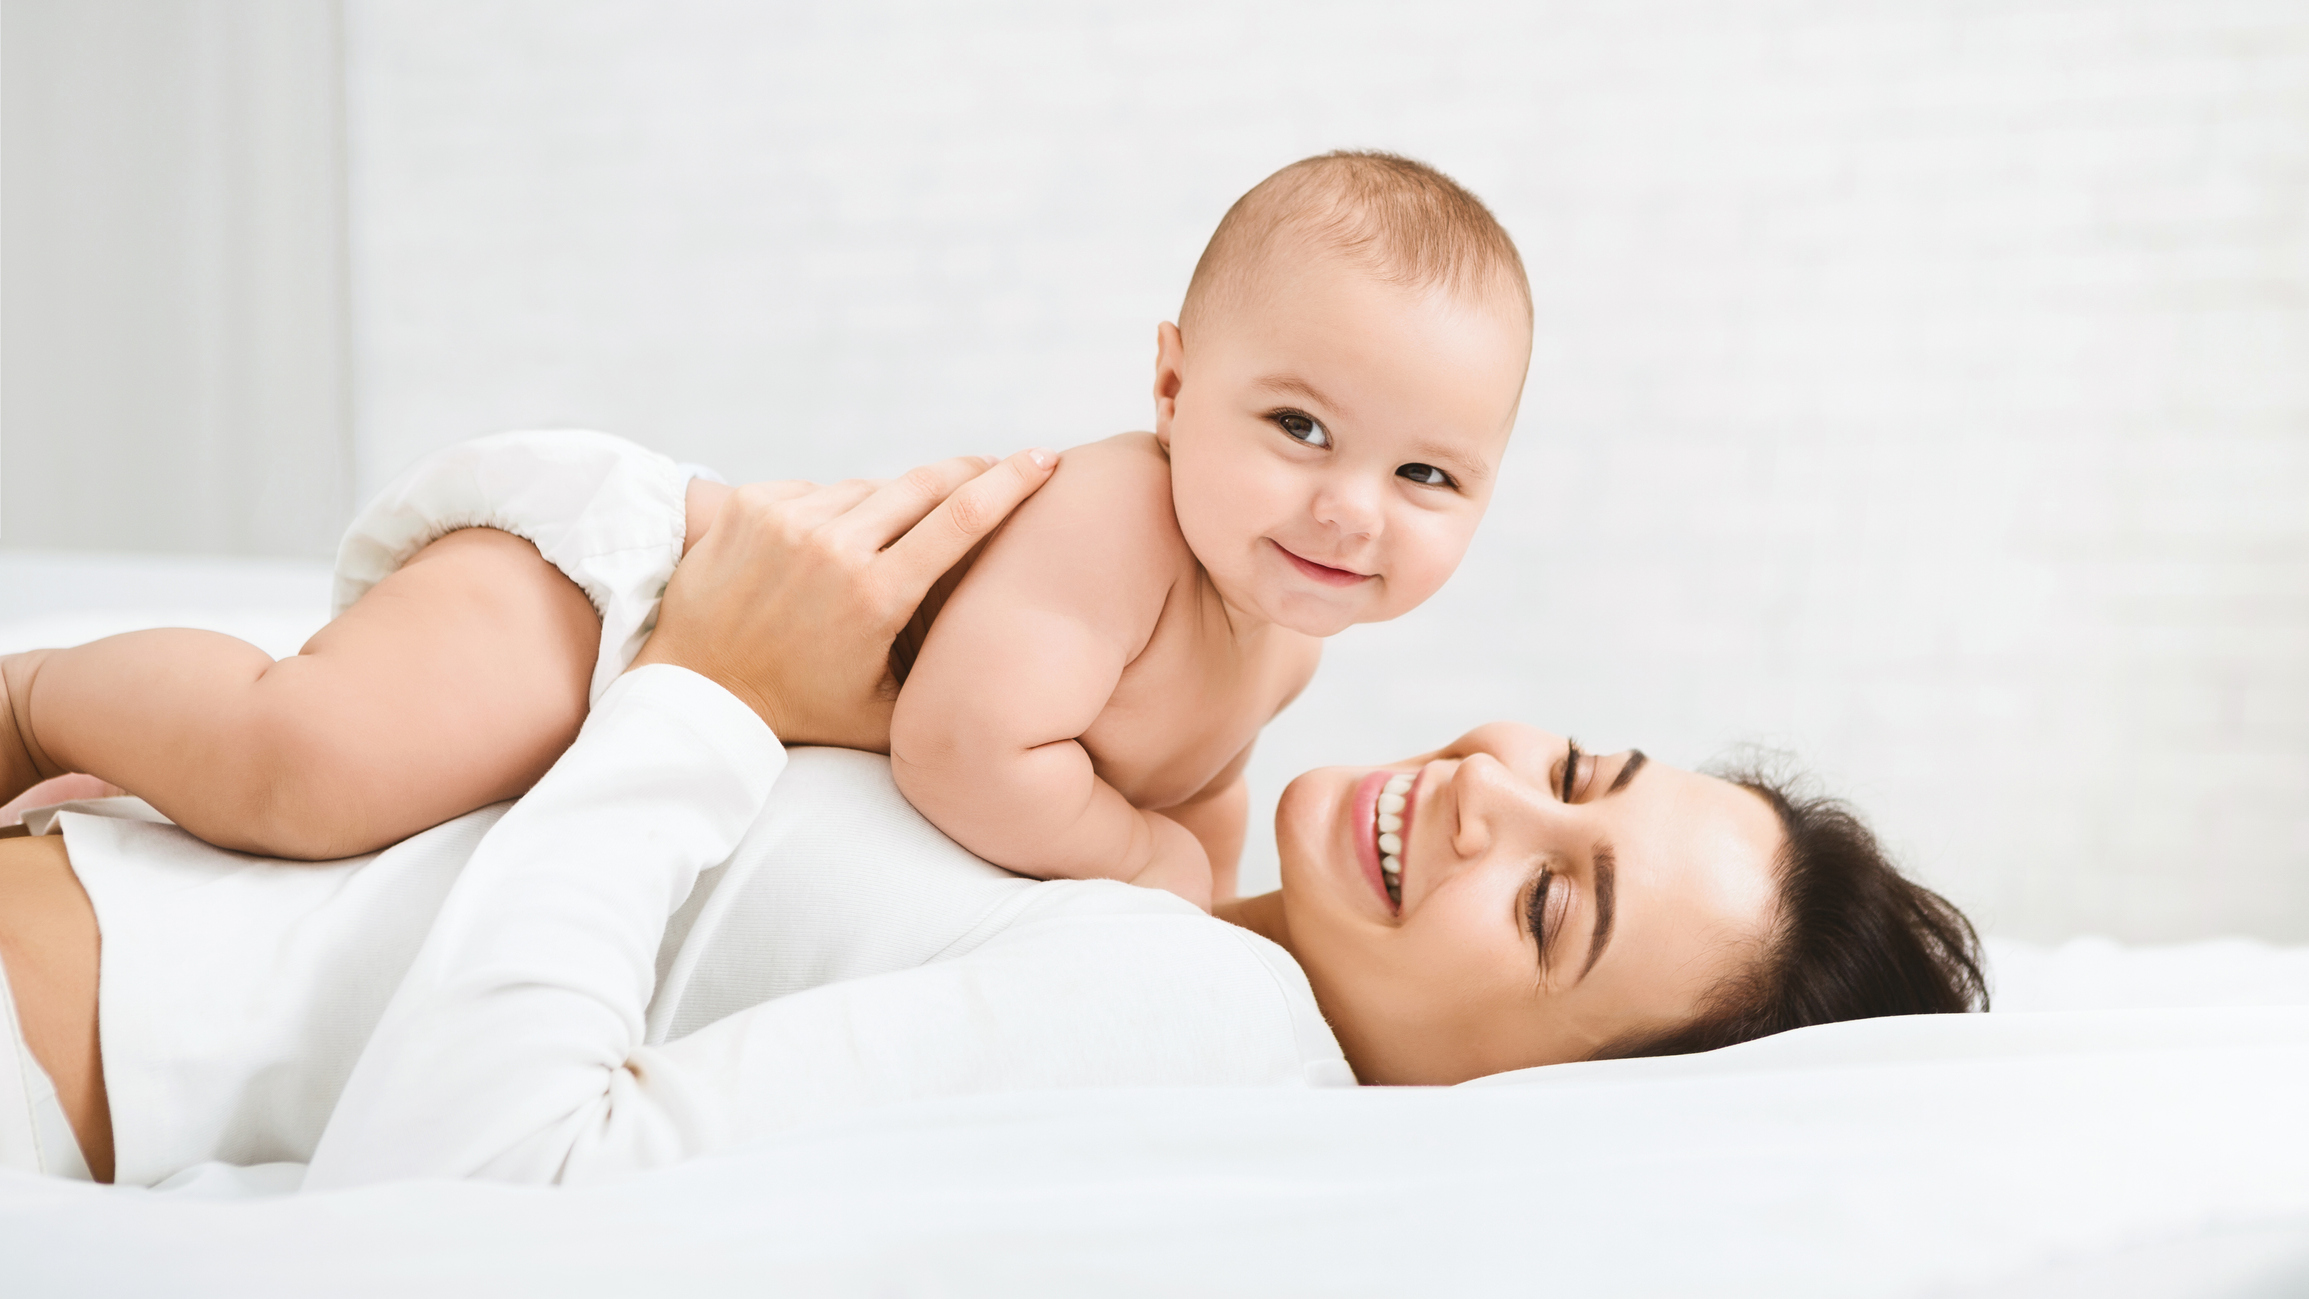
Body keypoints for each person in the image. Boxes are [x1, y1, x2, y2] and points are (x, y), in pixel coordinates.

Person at [0, 454, 1984, 1190]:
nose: (1491, 803)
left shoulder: (1193, 1036)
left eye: (1554, 912)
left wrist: (710, 686)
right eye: (1581, 774)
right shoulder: (1176, 897)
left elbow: (485, 1190)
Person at [0, 151, 1534, 907]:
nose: (1349, 507)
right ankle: (32, 695)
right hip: (623, 599)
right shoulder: (1122, 517)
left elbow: (1196, 796)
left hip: (695, 692)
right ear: (1171, 383)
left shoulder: (1283, 647)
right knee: (315, 766)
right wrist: (1145, 864)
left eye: (1426, 479)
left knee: (361, 834)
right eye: (1299, 429)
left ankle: (118, 762)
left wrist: (1192, 879)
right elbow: (966, 749)